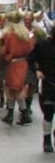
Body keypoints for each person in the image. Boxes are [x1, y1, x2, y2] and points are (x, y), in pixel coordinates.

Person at [0, 10, 35, 126]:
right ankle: (12, 114)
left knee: (13, 88)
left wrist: (5, 56)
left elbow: (6, 51)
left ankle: (23, 114)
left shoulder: (9, 35)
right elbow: (31, 49)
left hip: (13, 64)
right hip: (24, 63)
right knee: (16, 88)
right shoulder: (26, 35)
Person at [28, 22, 55, 152]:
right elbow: (31, 59)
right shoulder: (43, 45)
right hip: (48, 83)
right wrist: (37, 71)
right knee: (49, 112)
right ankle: (47, 139)